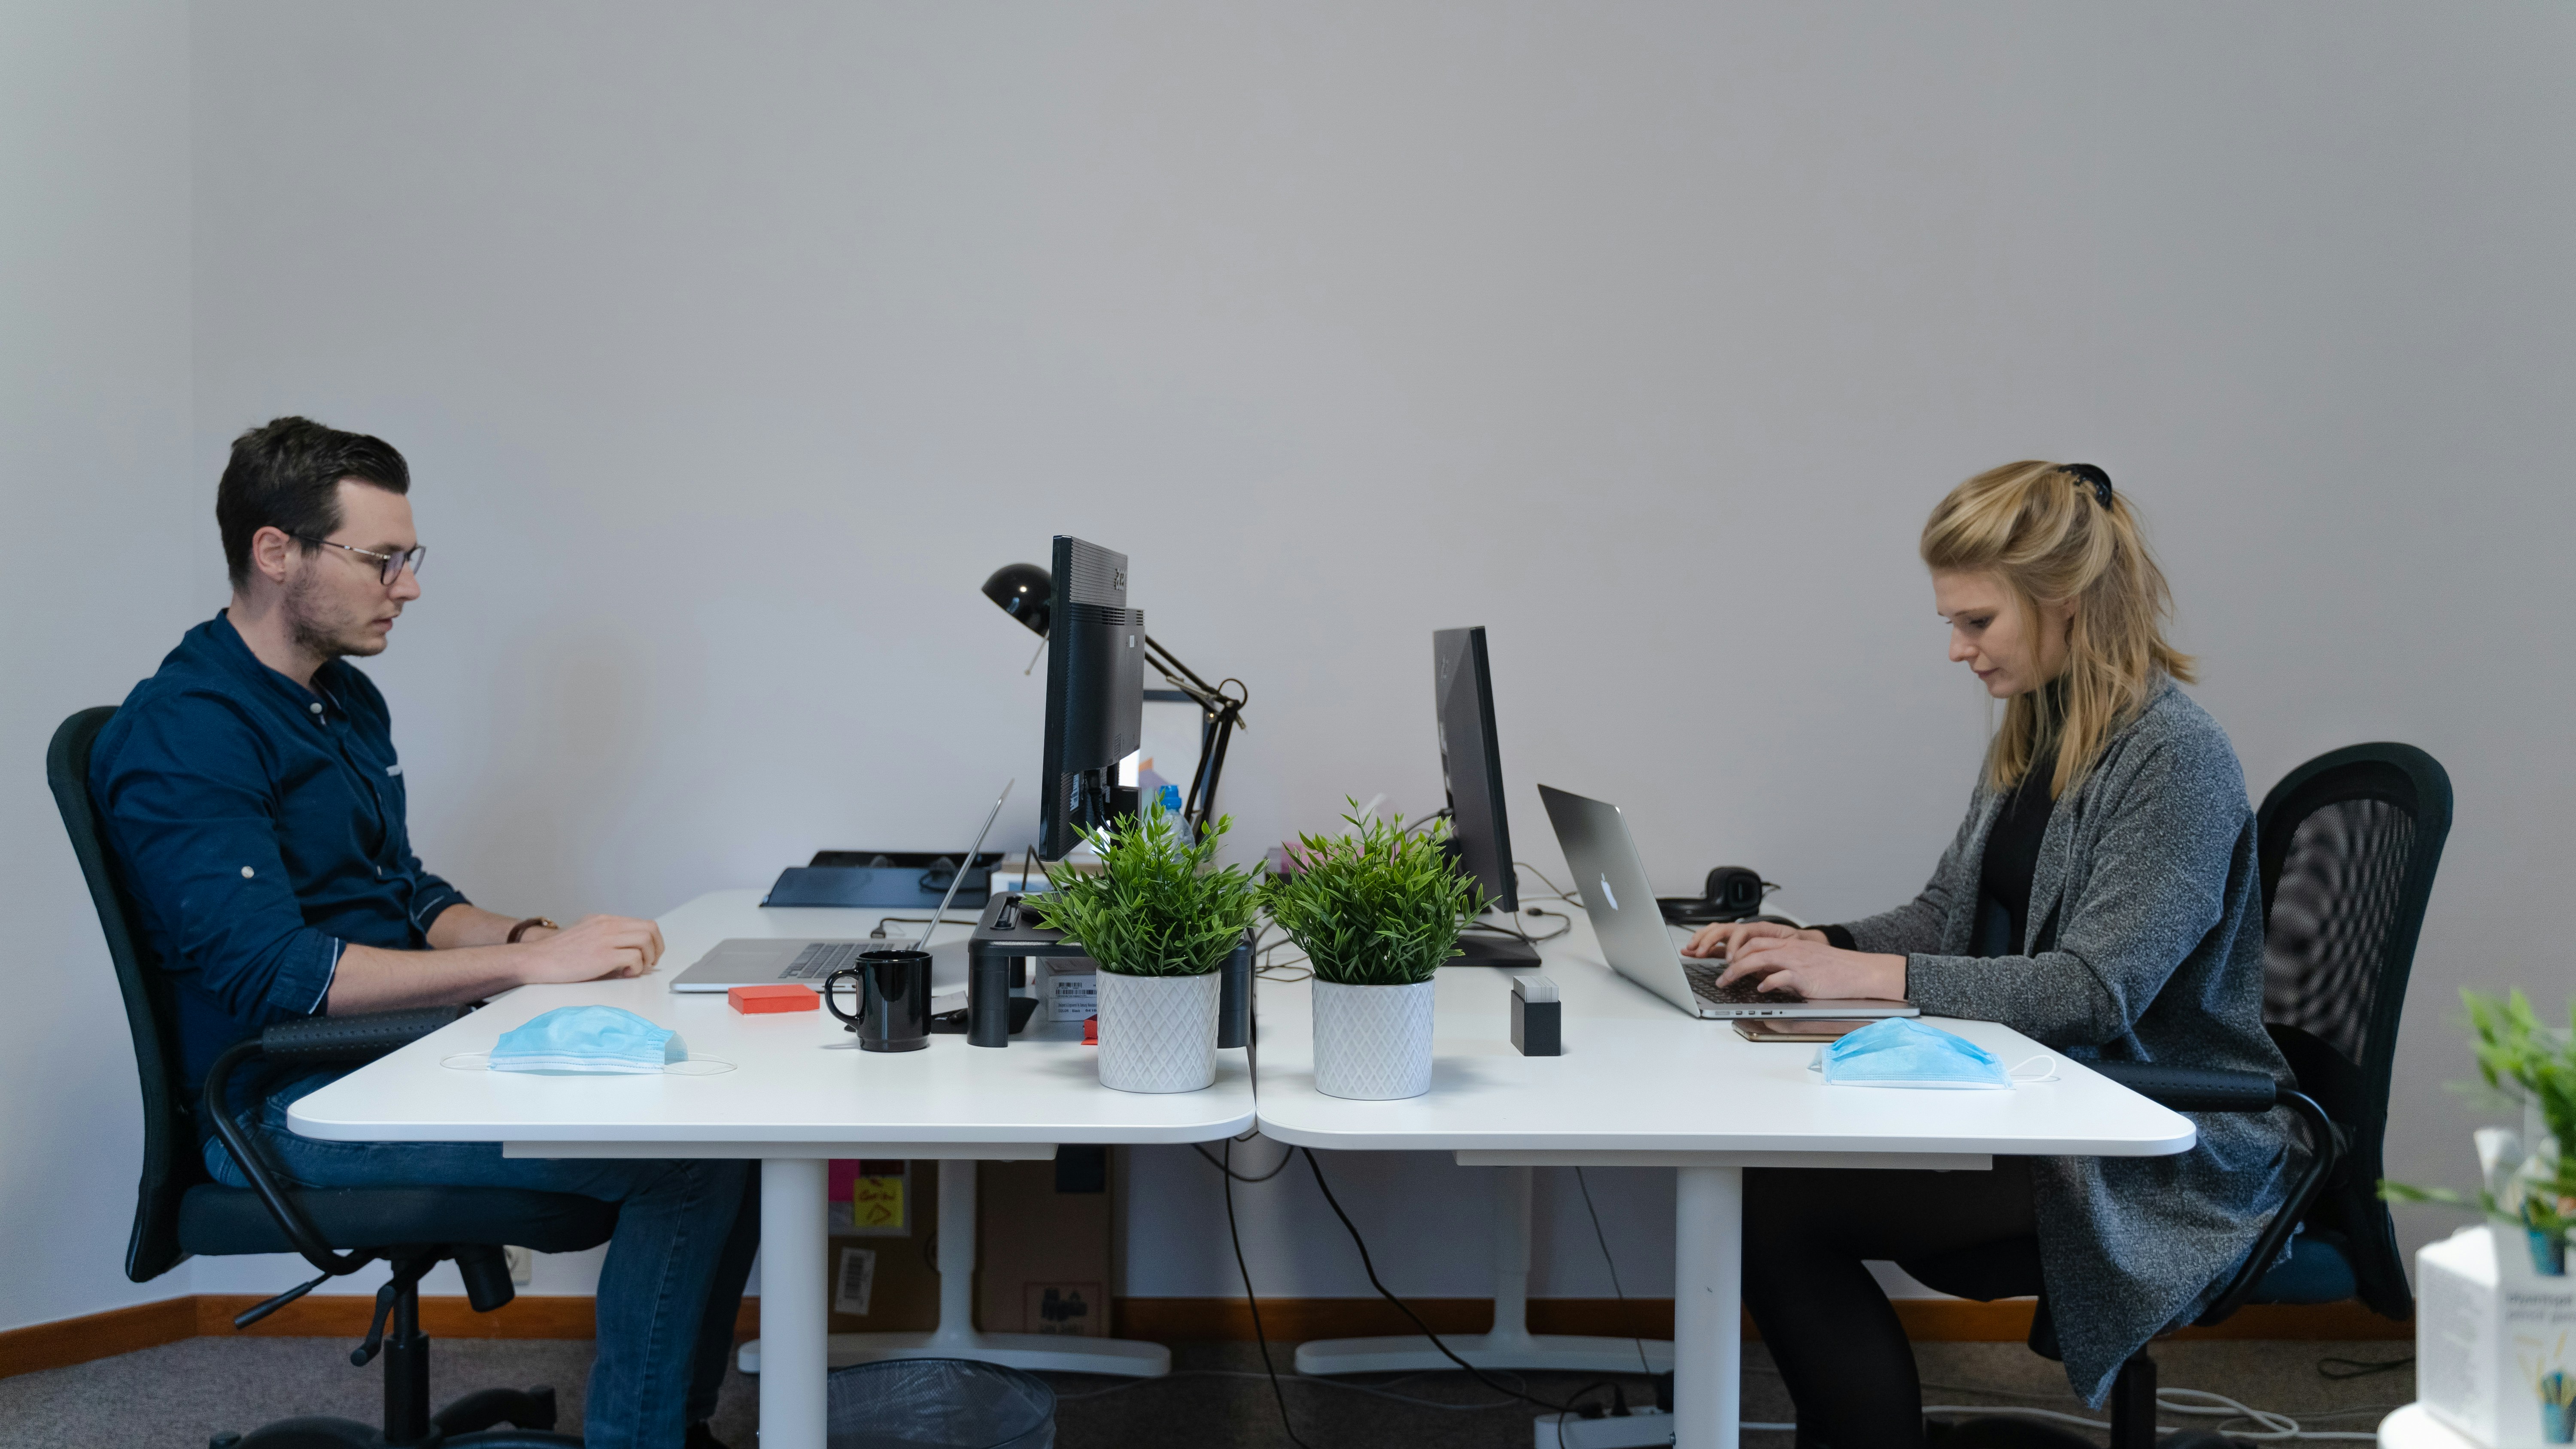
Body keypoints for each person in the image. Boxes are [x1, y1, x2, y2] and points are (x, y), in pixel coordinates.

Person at [89, 417, 755, 1449]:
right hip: (283, 1103)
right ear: (277, 552)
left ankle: (674, 1423)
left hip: (393, 1058)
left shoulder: (340, 701)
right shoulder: (186, 730)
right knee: (689, 1161)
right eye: (382, 559)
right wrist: (529, 965)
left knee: (728, 1122)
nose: (406, 585)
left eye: (411, 558)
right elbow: (278, 971)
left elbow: (404, 892)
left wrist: (537, 934)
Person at [1681, 461, 2296, 1446]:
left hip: (2157, 1140)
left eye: (1977, 621)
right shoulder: (2042, 728)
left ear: (2066, 606)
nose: (1959, 650)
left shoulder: (2176, 758)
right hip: (2063, 1093)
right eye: (1952, 625)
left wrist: (1870, 978)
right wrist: (1815, 943)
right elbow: (1944, 913)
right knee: (1779, 1181)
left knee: (1784, 1208)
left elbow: (2095, 990)